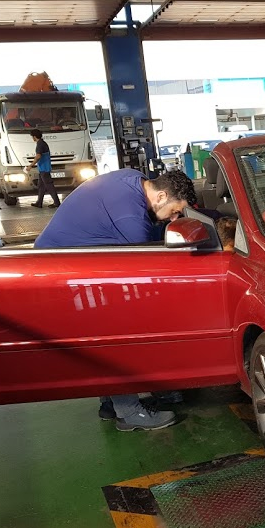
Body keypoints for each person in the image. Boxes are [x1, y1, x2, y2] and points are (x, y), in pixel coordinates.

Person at [35, 168, 198, 430]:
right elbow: (146, 262)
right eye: (176, 211)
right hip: (62, 274)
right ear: (162, 196)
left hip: (70, 268)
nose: (175, 218)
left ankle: (111, 403)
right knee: (116, 335)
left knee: (104, 334)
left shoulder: (133, 181)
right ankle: (129, 412)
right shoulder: (130, 211)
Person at [25, 129, 60, 209]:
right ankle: (39, 202)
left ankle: (57, 202)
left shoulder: (40, 144)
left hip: (44, 168)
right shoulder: (42, 143)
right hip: (43, 168)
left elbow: (38, 156)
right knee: (41, 186)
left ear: (34, 137)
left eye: (32, 137)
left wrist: (30, 165)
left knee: (49, 186)